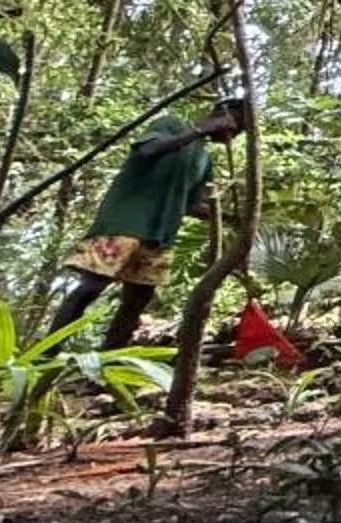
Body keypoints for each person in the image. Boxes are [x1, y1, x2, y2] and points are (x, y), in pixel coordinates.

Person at [54, 95, 251, 350]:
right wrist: (200, 129)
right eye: (236, 124)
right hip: (124, 223)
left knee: (138, 299)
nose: (233, 134)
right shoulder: (171, 125)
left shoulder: (204, 160)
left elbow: (192, 205)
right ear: (221, 112)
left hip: (160, 236)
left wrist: (230, 215)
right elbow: (148, 150)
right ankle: (45, 358)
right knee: (90, 288)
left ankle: (108, 365)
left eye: (240, 131)